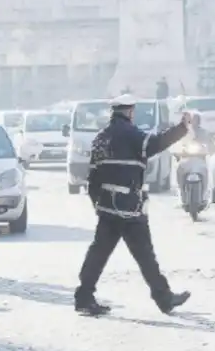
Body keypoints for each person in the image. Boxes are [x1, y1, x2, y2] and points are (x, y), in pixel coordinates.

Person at [76, 94, 192, 316]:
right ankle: (164, 298)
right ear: (130, 112)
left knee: (98, 254)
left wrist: (97, 205)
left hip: (107, 207)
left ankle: (84, 297)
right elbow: (157, 143)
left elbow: (93, 176)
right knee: (146, 256)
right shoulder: (131, 134)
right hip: (129, 209)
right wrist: (182, 128)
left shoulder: (101, 138)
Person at [175, 112, 215, 192]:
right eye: (193, 120)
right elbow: (178, 143)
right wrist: (177, 152)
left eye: (196, 119)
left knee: (205, 171)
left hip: (200, 159)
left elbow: (211, 145)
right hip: (186, 160)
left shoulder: (204, 132)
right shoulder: (185, 132)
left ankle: (205, 191)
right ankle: (181, 189)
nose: (195, 122)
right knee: (179, 169)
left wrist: (211, 150)